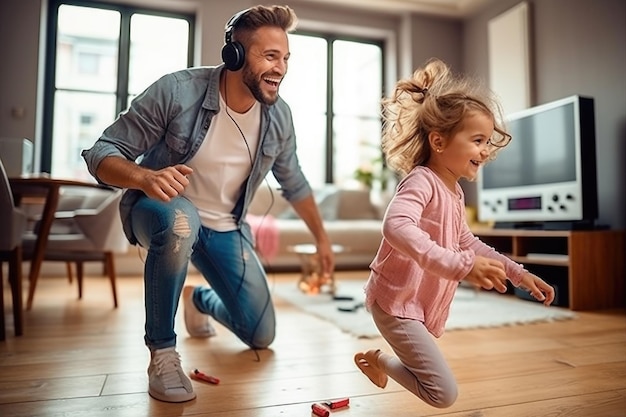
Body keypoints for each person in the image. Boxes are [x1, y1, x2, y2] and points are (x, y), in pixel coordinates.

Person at [82, 5, 334, 403]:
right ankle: (163, 353)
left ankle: (198, 300)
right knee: (182, 219)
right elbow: (101, 153)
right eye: (270, 56)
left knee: (260, 333)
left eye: (285, 58)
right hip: (165, 213)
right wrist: (146, 178)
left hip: (225, 228)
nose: (281, 68)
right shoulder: (178, 91)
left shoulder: (279, 117)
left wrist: (322, 240)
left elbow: (295, 182)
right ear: (234, 54)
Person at [352, 58, 555, 408]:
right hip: (395, 302)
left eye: (488, 141)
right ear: (439, 141)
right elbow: (396, 226)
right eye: (477, 139)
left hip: (411, 302)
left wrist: (519, 274)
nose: (485, 150)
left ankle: (378, 358)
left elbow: (467, 242)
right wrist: (461, 266)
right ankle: (378, 359)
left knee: (437, 387)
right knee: (443, 394)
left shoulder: (454, 192)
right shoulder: (421, 181)